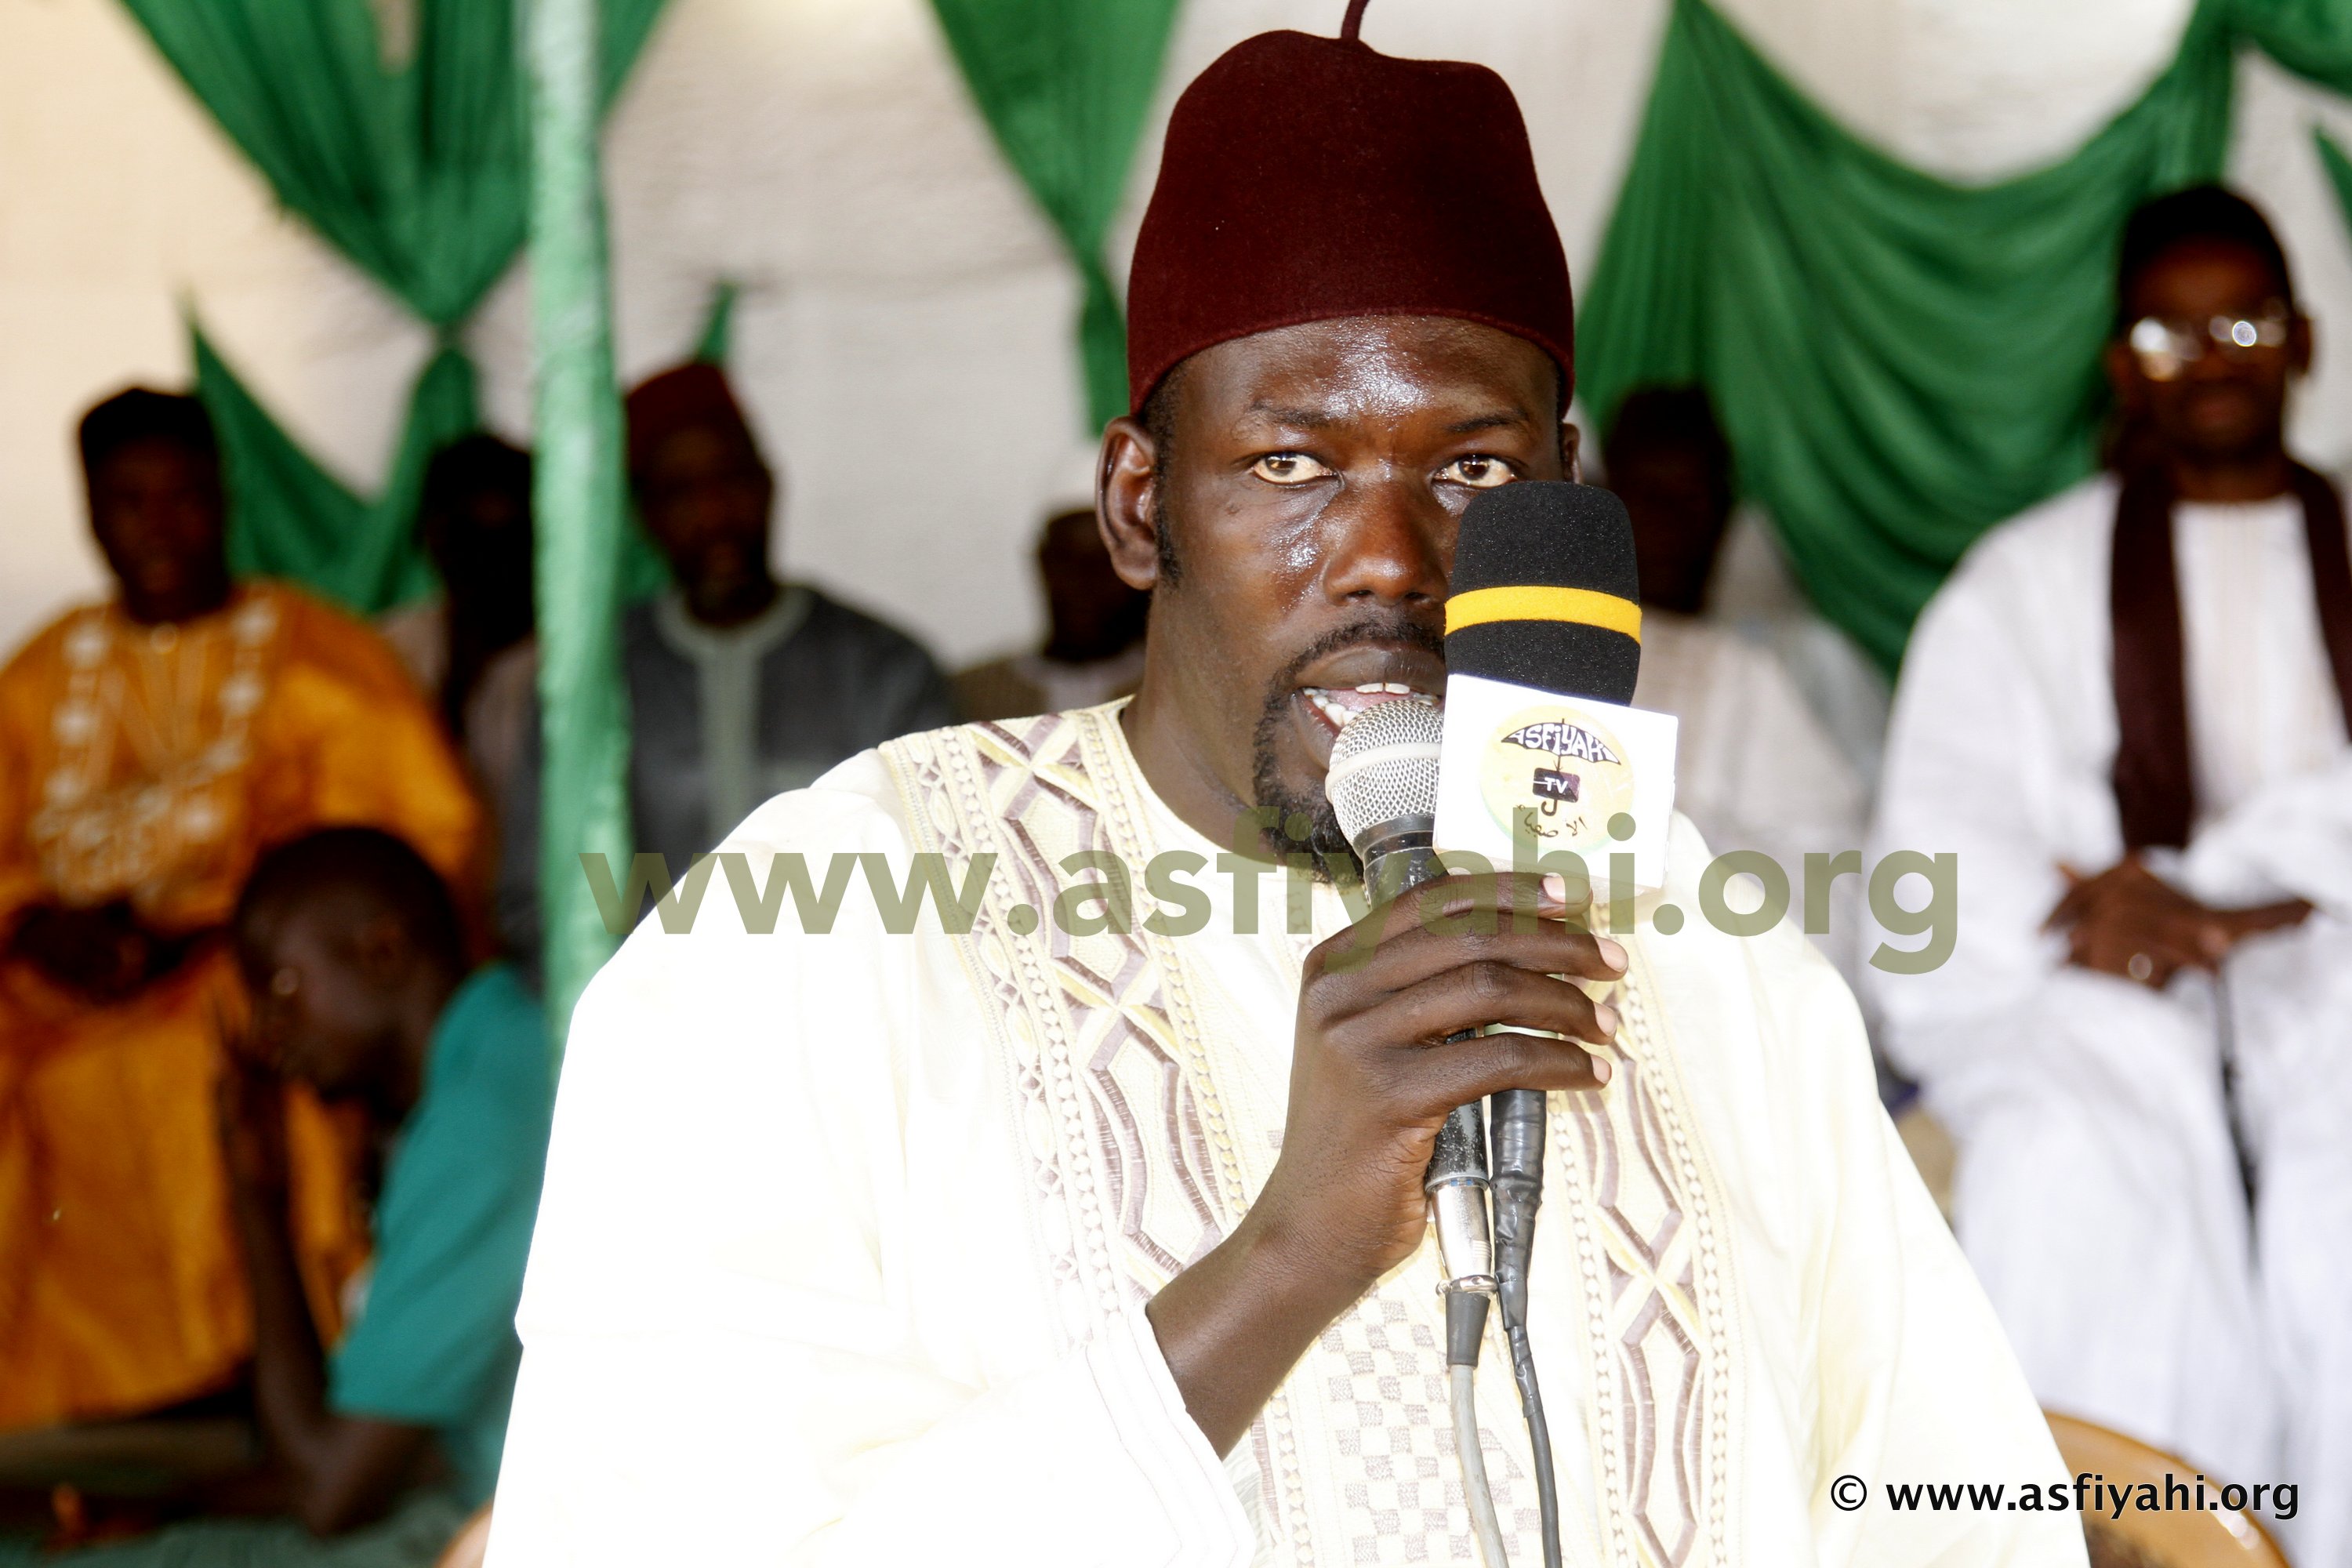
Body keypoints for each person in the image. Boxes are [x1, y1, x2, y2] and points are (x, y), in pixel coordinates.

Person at [491, 20, 2078, 1566]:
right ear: (1137, 503)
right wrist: (1291, 1251)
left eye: (1471, 471)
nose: (1392, 561)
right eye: (1292, 464)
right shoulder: (815, 944)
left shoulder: (1702, 956)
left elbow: (1942, 1490)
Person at [1869, 186, 2351, 1564]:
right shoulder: (2020, 582)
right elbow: (1941, 833)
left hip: (2333, 969)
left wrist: (2252, 888)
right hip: (2097, 990)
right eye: (2168, 329)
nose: (2212, 356)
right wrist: (2086, 916)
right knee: (2078, 1168)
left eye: (2245, 320)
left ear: (2304, 338)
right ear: (2118, 360)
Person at [0, 390, 481, 1435]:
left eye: (183, 497)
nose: (159, 525)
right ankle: (54, 1414)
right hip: (55, 991)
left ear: (226, 498)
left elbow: (410, 849)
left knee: (208, 1055)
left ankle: (244, 1381)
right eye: (129, 502)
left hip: (244, 971)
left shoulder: (321, 656)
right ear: (91, 515)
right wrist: (36, 922)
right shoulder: (35, 679)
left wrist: (219, 930)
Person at [0, 828, 550, 1566]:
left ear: (381, 955)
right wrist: (164, 1506)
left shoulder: (482, 1121)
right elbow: (360, 1452)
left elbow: (331, 1490)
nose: (267, 1030)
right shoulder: (488, 1062)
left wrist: (258, 1202)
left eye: (283, 987)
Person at [495, 362, 955, 963]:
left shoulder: (884, 669)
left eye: (732, 481)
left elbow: (943, 884)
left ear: (770, 487)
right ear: (645, 517)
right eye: (681, 493)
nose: (715, 516)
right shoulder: (596, 684)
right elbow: (535, 902)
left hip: (846, 1022)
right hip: (648, 1024)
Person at [1606, 387, 1867, 971]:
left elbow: (1839, 898)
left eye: (1694, 501)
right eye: (1652, 499)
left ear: (1726, 512)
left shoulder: (1752, 671)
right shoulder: (1536, 658)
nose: (1675, 527)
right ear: (1606, 497)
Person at [377, 436, 540, 817]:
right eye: (464, 540)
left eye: (503, 542)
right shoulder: (389, 650)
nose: (483, 565)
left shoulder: (579, 669)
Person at [955, 505, 1150, 720]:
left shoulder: (1165, 687)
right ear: (1043, 563)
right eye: (1067, 560)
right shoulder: (971, 692)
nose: (1083, 581)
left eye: (1102, 562)